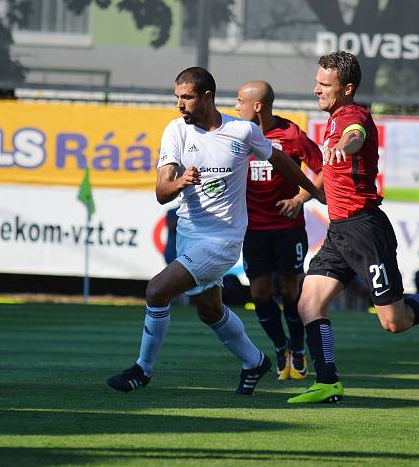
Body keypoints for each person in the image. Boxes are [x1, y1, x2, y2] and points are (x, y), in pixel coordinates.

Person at [107, 67, 325, 396]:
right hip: (189, 235)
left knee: (156, 291)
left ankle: (143, 369)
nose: (180, 104)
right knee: (210, 311)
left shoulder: (241, 131)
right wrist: (180, 181)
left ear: (207, 97)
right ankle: (255, 361)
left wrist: (311, 190)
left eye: (187, 97)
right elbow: (161, 191)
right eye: (177, 97)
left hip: (223, 240)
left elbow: (279, 159)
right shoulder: (175, 131)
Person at [288, 52, 419, 404]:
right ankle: (328, 381)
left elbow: (354, 136)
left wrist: (344, 147)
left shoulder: (353, 116)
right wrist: (302, 196)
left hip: (366, 231)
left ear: (346, 89)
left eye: (323, 84)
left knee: (394, 322)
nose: (315, 89)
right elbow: (327, 172)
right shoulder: (331, 119)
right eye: (316, 82)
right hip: (340, 231)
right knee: (308, 303)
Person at [234, 80, 324, 382]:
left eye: (239, 101)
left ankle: (298, 349)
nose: (235, 108)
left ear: (257, 106)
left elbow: (323, 168)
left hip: (288, 229)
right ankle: (280, 346)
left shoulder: (291, 135)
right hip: (254, 230)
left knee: (290, 292)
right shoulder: (237, 133)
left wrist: (300, 198)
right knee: (259, 294)